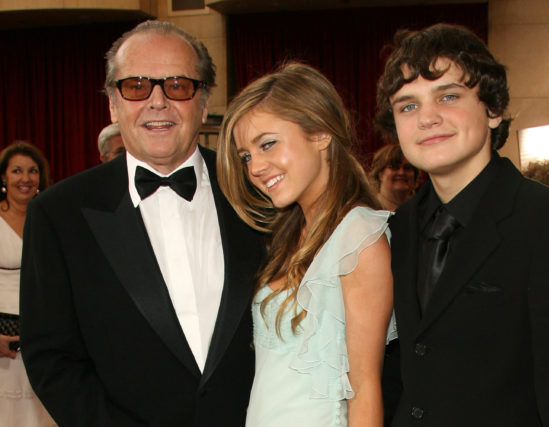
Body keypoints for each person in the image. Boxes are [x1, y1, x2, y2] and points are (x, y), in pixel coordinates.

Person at [19, 20, 263, 427]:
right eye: (136, 86)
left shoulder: (258, 194)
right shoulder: (58, 214)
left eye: (177, 85)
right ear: (113, 104)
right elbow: (51, 359)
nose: (157, 102)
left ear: (203, 102)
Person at [376, 23, 549, 426]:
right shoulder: (397, 226)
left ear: (493, 109)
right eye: (408, 105)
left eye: (448, 96)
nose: (427, 118)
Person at [217, 62, 394, 427]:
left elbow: (365, 390)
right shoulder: (288, 233)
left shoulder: (358, 237)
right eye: (246, 156)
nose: (255, 168)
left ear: (320, 134)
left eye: (267, 144)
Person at [0, 141, 55, 426]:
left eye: (32, 171)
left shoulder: (51, 219)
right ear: (3, 177)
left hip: (43, 342)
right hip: (2, 345)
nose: (25, 178)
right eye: (17, 171)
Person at [369, 144, 418, 211]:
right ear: (380, 174)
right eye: (394, 167)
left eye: (407, 168)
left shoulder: (422, 208)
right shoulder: (369, 208)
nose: (401, 172)